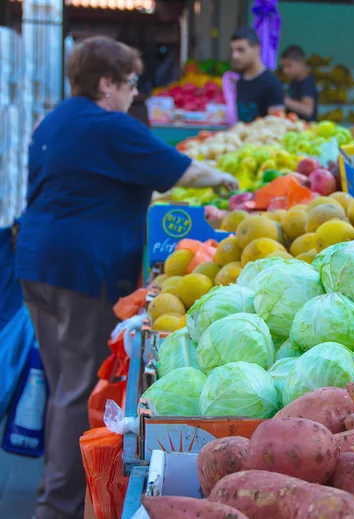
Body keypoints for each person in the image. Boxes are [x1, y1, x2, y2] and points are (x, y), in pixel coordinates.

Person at [15, 36, 237, 519]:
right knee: (76, 387)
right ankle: (57, 505)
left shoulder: (53, 120)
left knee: (63, 384)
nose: (134, 93)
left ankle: (60, 492)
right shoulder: (110, 125)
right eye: (131, 82)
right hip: (82, 267)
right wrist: (225, 181)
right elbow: (182, 172)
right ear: (106, 82)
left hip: (38, 262)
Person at [230, 27, 285, 122]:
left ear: (256, 49)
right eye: (233, 51)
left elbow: (277, 127)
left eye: (241, 50)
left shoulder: (272, 84)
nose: (235, 56)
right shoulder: (240, 82)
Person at [280, 45, 319, 122]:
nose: (285, 71)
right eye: (283, 67)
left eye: (288, 66)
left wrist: (283, 99)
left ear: (300, 63)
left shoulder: (308, 82)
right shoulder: (294, 82)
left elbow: (307, 110)